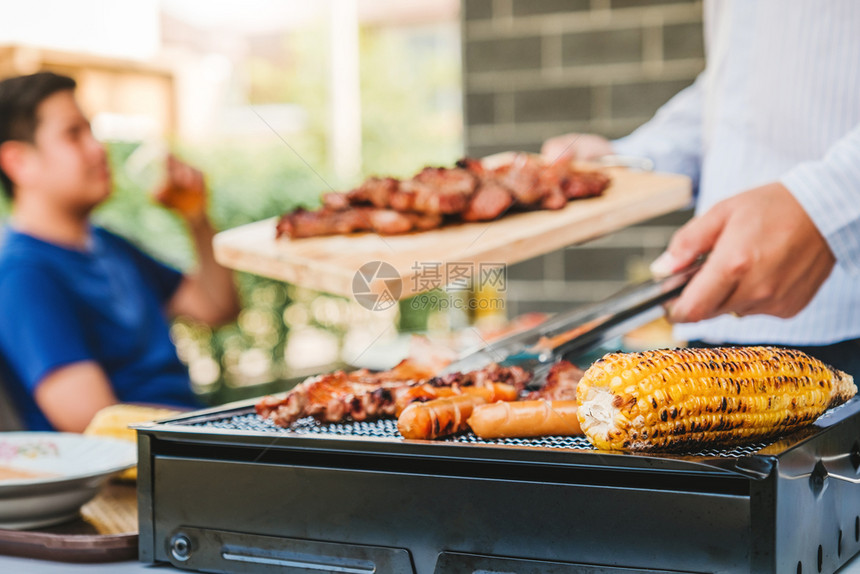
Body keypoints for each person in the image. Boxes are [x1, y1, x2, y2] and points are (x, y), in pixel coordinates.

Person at [542, 0, 860, 377]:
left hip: (841, 322)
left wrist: (828, 204)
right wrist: (624, 162)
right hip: (709, 337)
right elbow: (741, 89)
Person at [0, 71, 240, 432]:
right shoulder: (24, 276)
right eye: (73, 134)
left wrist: (197, 218)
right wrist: (223, 431)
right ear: (19, 162)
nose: (99, 148)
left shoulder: (109, 244)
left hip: (185, 444)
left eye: (92, 131)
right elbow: (98, 426)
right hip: (144, 474)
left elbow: (217, 308)